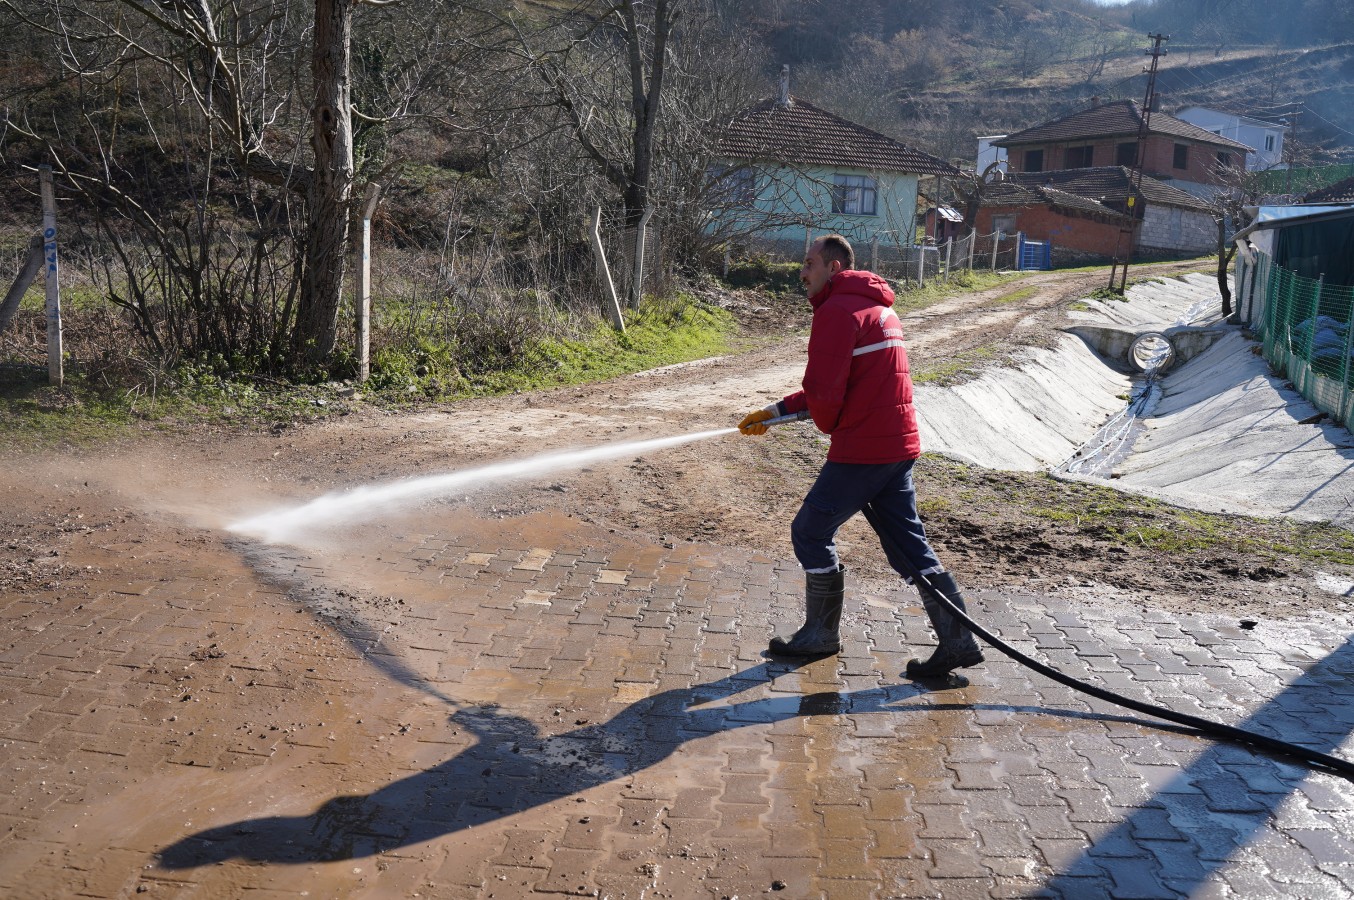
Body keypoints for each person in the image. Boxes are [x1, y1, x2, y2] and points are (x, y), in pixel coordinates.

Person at [738, 234, 983, 679]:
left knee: (810, 532)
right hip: (896, 445)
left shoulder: (836, 312)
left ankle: (821, 635)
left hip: (863, 449)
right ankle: (957, 641)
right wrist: (773, 414)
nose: (802, 270)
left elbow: (827, 397)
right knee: (910, 548)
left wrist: (814, 419)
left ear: (834, 267)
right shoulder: (879, 309)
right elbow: (840, 385)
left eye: (809, 263)